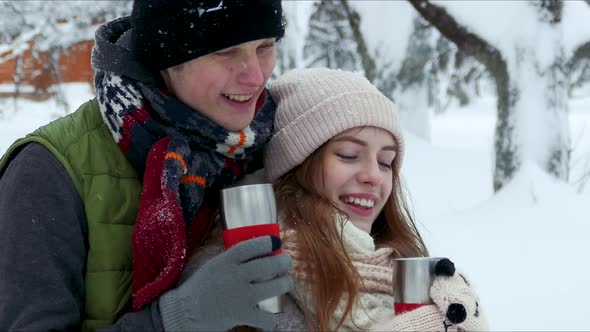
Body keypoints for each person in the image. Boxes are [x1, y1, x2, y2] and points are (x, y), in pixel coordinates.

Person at [0, 1, 296, 331]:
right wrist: (176, 319)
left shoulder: (282, 141)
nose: (256, 76)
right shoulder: (48, 172)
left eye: (266, 46)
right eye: (226, 52)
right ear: (167, 57)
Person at [263, 68, 488, 331]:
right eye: (348, 154)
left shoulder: (404, 273)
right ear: (295, 168)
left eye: (386, 162)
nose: (374, 176)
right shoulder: (258, 281)